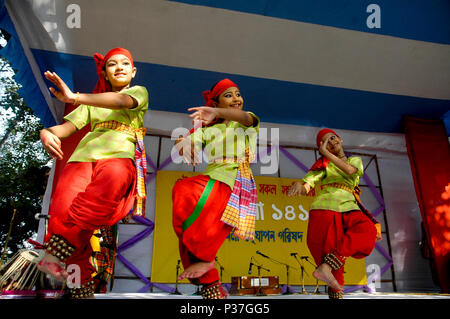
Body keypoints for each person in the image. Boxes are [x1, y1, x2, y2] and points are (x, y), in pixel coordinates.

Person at [37, 47, 148, 298]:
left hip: (118, 156)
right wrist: (46, 133)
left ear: (133, 71)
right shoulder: (90, 103)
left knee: (100, 197)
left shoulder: (138, 92)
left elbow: (120, 101)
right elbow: (65, 130)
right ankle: (81, 287)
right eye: (112, 64)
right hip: (82, 159)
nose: (118, 67)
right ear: (106, 74)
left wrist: (74, 97)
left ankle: (54, 253)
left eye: (124, 63)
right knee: (61, 217)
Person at [172, 78, 259, 299]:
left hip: (234, 179)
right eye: (228, 95)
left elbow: (245, 116)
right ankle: (211, 284)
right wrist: (182, 143)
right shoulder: (210, 130)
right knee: (182, 192)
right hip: (214, 176)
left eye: (237, 94)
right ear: (217, 102)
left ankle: (206, 259)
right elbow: (187, 139)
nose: (236, 99)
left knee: (200, 212)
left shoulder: (246, 123)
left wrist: (214, 111)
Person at [288, 128, 381, 299]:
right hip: (325, 206)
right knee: (330, 254)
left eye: (332, 138)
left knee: (367, 229)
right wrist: (301, 186)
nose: (331, 143)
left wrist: (325, 153)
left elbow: (350, 171)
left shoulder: (354, 160)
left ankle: (326, 268)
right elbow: (309, 182)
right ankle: (335, 290)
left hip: (349, 205)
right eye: (325, 143)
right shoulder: (322, 166)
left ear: (340, 139)